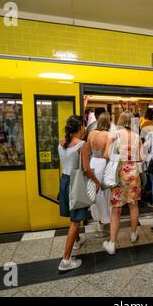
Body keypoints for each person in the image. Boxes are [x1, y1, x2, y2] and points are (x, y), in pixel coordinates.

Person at [57, 115, 101, 272]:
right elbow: (86, 168)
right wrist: (96, 182)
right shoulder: (82, 145)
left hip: (64, 181)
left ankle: (77, 240)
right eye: (83, 127)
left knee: (72, 215)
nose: (85, 130)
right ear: (80, 128)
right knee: (75, 221)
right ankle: (66, 261)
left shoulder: (61, 143)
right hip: (75, 183)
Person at [102, 111, 143, 255]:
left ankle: (112, 243)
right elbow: (141, 157)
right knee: (133, 204)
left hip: (118, 173)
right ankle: (133, 234)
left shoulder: (114, 133)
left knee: (116, 210)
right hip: (133, 172)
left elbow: (106, 154)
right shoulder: (137, 137)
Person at [85, 112, 112, 237]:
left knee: (94, 193)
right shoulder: (108, 135)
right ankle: (103, 223)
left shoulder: (91, 133)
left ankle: (97, 222)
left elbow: (88, 150)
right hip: (102, 164)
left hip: (92, 163)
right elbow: (107, 155)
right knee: (104, 194)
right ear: (108, 122)